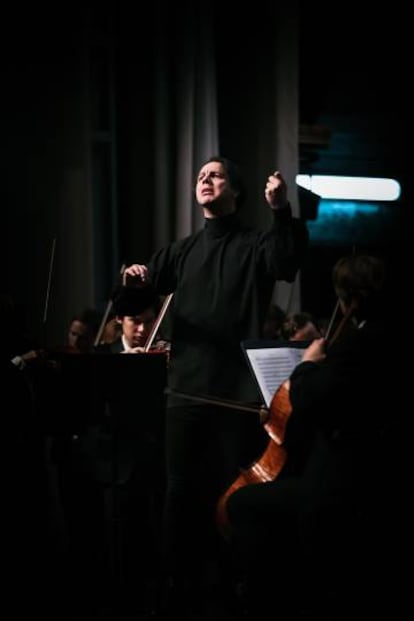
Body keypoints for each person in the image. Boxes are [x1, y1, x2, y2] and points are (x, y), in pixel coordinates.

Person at [123, 156, 308, 615]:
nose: (205, 179)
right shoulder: (181, 251)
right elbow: (135, 299)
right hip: (184, 392)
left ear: (236, 191)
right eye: (201, 175)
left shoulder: (254, 245)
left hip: (233, 396)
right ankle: (174, 587)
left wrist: (281, 209)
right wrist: (134, 279)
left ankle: (234, 585)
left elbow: (286, 262)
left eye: (216, 174)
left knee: (232, 495)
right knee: (178, 492)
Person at [225, 254, 407, 618]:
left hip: (343, 483)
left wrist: (307, 365)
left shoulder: (357, 345)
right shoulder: (394, 336)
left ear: (350, 299)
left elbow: (309, 401)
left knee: (241, 503)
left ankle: (270, 598)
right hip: (376, 474)